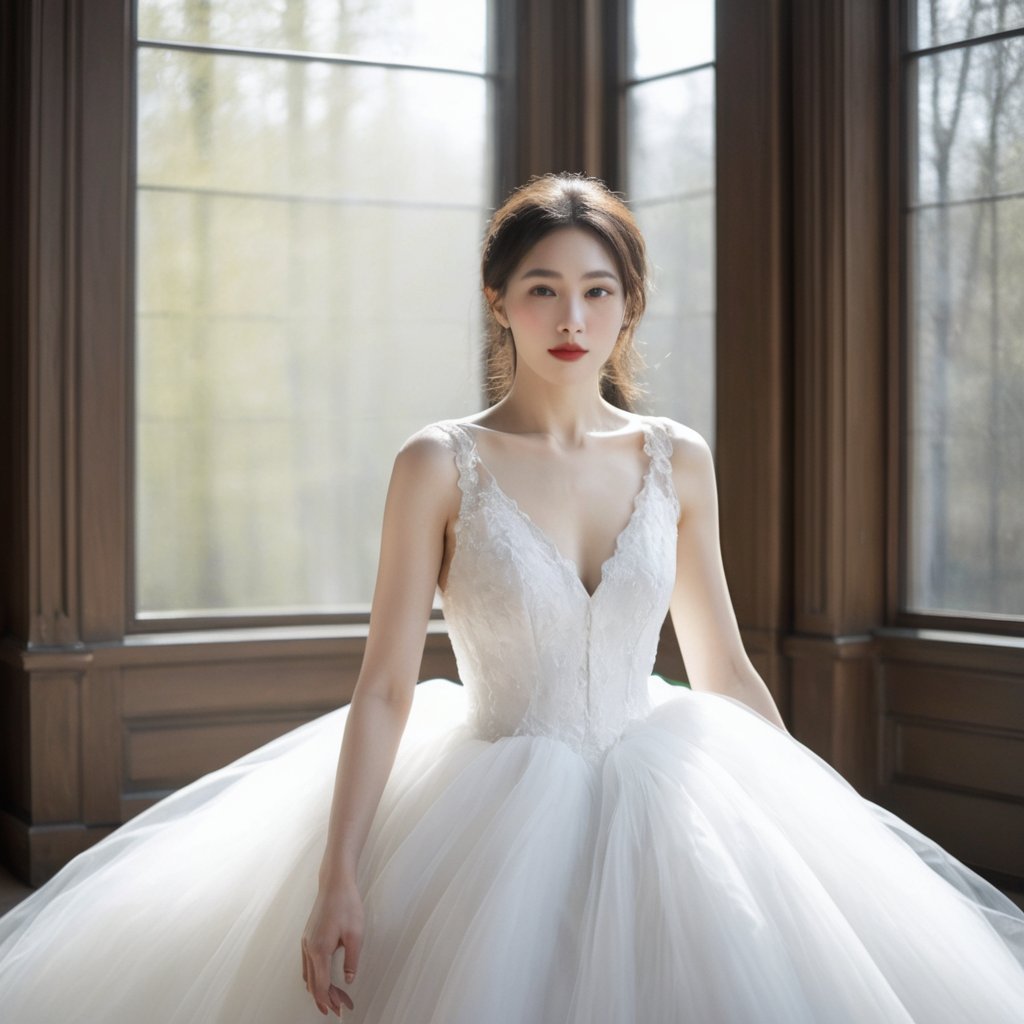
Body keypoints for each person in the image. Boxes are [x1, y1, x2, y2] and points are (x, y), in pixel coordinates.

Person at [1, 174, 1023, 1023]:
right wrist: (339, 875)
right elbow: (385, 689)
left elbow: (720, 668)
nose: (571, 318)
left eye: (597, 290)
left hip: (669, 789)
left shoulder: (679, 459)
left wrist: (822, 835)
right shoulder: (438, 462)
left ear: (630, 302)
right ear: (498, 300)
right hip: (485, 800)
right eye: (541, 289)